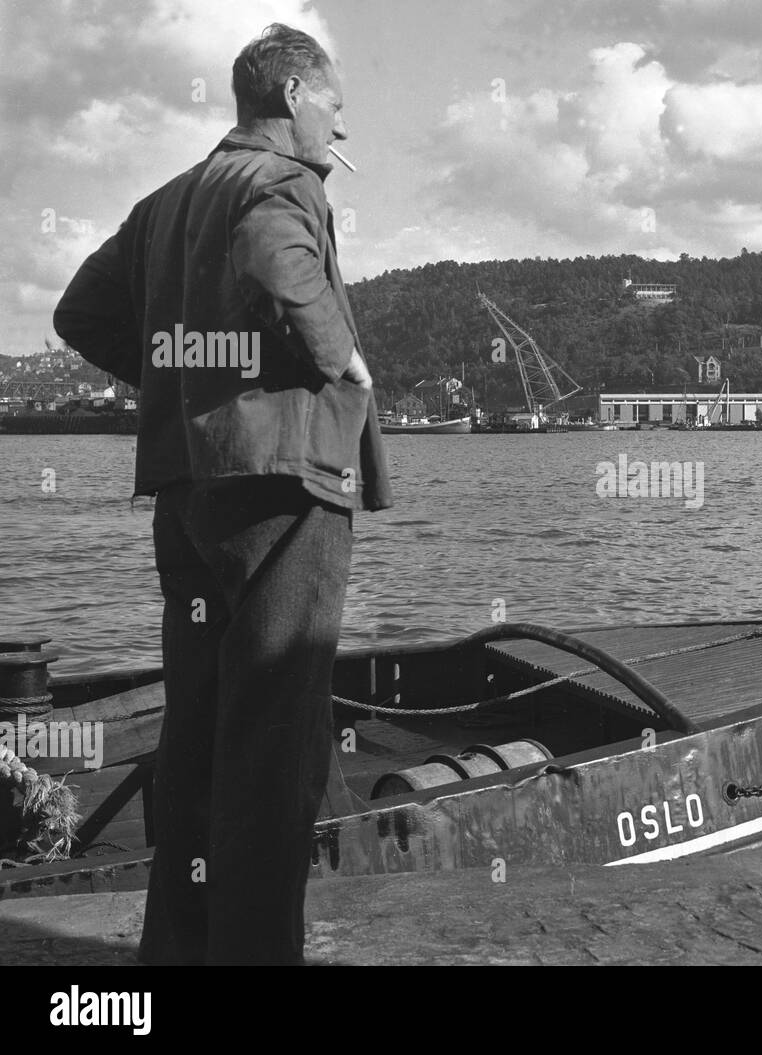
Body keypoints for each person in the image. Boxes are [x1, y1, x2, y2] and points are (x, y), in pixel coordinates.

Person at [53, 23, 392, 965]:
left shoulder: (166, 199)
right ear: (291, 97)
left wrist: (183, 377)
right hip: (289, 483)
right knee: (277, 748)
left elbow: (77, 310)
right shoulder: (281, 181)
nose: (342, 125)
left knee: (199, 736)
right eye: (335, 105)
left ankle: (177, 954)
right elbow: (280, 265)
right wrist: (346, 362)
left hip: (191, 491)